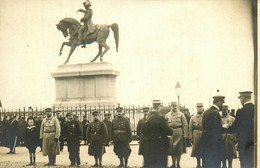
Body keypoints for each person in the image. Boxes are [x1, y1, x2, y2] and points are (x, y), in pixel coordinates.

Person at [231, 91, 254, 168]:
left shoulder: (241, 111)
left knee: (244, 162)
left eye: (240, 98)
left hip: (244, 143)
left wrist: (224, 129)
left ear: (243, 98)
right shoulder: (256, 109)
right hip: (255, 143)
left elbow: (235, 127)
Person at [201, 95, 225, 168]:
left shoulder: (206, 112)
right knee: (215, 164)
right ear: (219, 102)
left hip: (205, 142)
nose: (222, 105)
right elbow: (216, 129)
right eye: (222, 103)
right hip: (214, 145)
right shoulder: (215, 113)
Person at [165, 101, 188, 168]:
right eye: (172, 106)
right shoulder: (167, 115)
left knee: (178, 149)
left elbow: (185, 125)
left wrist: (185, 135)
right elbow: (165, 125)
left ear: (177, 106)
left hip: (179, 132)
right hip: (171, 133)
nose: (174, 107)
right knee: (172, 149)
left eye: (175, 106)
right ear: (171, 106)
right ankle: (173, 164)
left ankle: (178, 164)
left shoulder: (181, 114)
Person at [189, 103, 204, 168]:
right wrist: (191, 137)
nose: (199, 108)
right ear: (196, 108)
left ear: (203, 108)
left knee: (204, 149)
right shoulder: (193, 118)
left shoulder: (205, 116)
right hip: (196, 134)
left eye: (201, 107)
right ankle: (198, 164)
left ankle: (204, 164)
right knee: (197, 149)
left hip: (204, 133)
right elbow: (190, 128)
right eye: (198, 107)